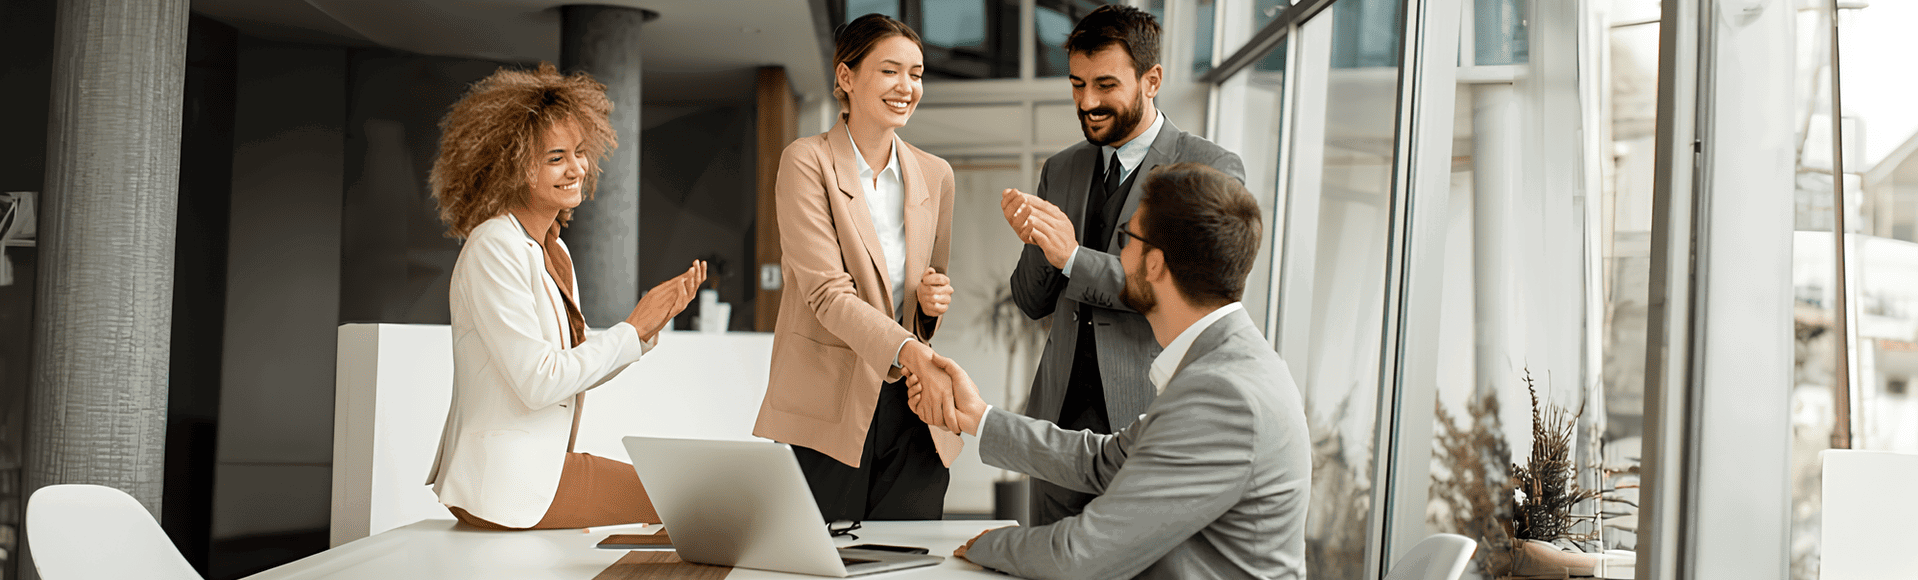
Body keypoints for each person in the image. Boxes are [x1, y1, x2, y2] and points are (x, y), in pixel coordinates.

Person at [909, 163, 1310, 580]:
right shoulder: (1226, 365)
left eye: (1126, 238)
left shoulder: (1222, 394)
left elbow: (1081, 555)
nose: (1118, 255)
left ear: (1154, 264)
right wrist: (978, 416)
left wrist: (984, 545)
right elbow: (1104, 460)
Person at [423, 63, 707, 530]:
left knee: (689, 502)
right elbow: (540, 382)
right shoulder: (494, 246)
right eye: (556, 158)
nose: (577, 168)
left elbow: (569, 371)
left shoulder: (552, 249)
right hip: (507, 484)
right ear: (512, 167)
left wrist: (642, 335)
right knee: (688, 502)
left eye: (578, 152)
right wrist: (630, 329)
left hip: (540, 469)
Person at [998, 4, 1247, 526]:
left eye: (1105, 85)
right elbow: (1030, 300)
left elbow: (1174, 293)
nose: (1087, 102)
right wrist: (1040, 247)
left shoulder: (1209, 169)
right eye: (1076, 84)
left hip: (1149, 418)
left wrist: (1071, 256)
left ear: (1152, 79)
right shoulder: (1061, 168)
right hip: (1057, 423)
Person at [750, 13, 961, 523]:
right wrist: (913, 351)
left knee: (909, 557)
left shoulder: (936, 175)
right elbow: (826, 294)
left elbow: (926, 292)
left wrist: (931, 306)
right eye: (890, 71)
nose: (906, 87)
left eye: (916, 74)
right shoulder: (807, 162)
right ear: (846, 77)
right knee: (824, 559)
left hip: (911, 408)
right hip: (828, 403)